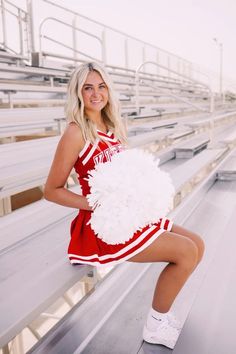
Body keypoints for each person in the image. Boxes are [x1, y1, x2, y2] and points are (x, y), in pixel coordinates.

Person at [44, 61, 205, 349]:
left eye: (101, 86)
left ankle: (162, 315)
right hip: (103, 225)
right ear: (78, 93)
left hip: (129, 213)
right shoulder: (75, 132)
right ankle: (156, 325)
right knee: (185, 251)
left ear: (108, 90)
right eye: (88, 87)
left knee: (197, 244)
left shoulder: (113, 126)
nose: (96, 93)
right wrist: (96, 203)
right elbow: (51, 190)